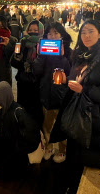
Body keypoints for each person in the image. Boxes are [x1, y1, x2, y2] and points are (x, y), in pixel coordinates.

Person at [51, 20, 100, 193]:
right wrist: (63, 80)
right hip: (79, 115)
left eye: (91, 31)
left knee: (85, 157)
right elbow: (75, 79)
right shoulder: (82, 55)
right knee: (74, 155)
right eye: (83, 32)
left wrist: (84, 90)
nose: (86, 36)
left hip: (96, 119)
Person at [32, 22, 71, 163]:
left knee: (61, 125)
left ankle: (62, 150)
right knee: (47, 124)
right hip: (46, 94)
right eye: (50, 33)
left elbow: (69, 74)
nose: (52, 36)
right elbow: (36, 71)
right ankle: (48, 147)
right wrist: (40, 56)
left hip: (61, 96)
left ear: (62, 35)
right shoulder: (44, 52)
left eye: (56, 33)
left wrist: (61, 57)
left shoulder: (68, 51)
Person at [0, 81, 40, 174]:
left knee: (12, 173)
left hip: (16, 148)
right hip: (6, 144)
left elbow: (30, 137)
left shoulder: (18, 112)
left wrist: (0, 131)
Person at [11, 20, 44, 126]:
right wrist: (18, 58)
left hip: (38, 84)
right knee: (23, 111)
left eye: (35, 30)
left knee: (36, 113)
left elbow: (46, 66)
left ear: (41, 31)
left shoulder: (44, 44)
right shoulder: (22, 43)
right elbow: (14, 63)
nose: (32, 32)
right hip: (23, 82)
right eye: (30, 30)